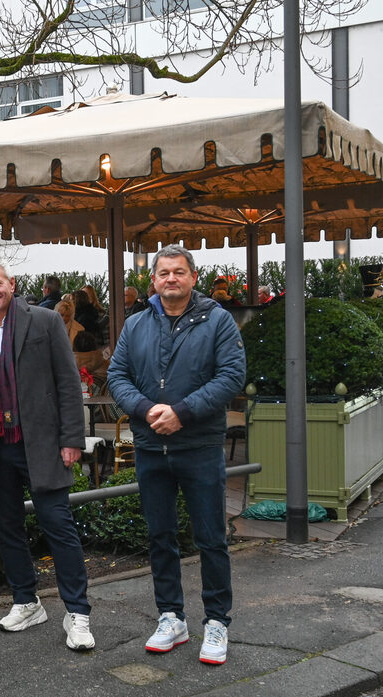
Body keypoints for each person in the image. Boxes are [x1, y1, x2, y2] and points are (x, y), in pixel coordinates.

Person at [107, 245, 245, 666]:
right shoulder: (136, 324)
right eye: (164, 273)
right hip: (151, 448)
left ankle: (217, 621)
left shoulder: (218, 321)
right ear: (153, 281)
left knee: (210, 539)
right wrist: (147, 410)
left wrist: (182, 413)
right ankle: (171, 617)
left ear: (192, 277)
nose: (171, 279)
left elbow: (232, 376)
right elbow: (117, 375)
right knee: (160, 537)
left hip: (199, 446)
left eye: (178, 272)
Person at [0, 257, 95, 652]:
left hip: (43, 443)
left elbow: (67, 382)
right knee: (8, 529)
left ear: (11, 284)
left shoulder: (44, 323)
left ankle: (77, 613)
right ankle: (26, 601)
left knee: (58, 527)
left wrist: (72, 439)